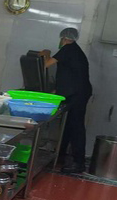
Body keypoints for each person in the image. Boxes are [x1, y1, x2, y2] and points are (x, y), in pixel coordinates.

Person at [39, 27, 92, 174]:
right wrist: (57, 91)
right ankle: (61, 155)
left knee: (76, 127)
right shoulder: (75, 50)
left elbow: (46, 64)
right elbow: (70, 75)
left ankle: (79, 163)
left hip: (77, 94)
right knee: (69, 125)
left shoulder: (68, 49)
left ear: (64, 38)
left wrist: (46, 53)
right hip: (78, 92)